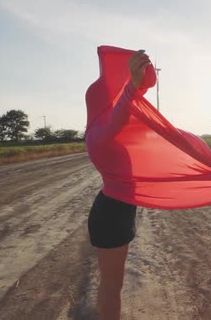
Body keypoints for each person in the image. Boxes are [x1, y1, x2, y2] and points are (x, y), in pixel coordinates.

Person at [86, 49, 152, 320]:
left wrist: (137, 87)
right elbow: (120, 114)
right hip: (111, 214)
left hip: (118, 211)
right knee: (112, 286)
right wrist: (131, 84)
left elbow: (127, 112)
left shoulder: (103, 131)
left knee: (114, 283)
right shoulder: (100, 133)